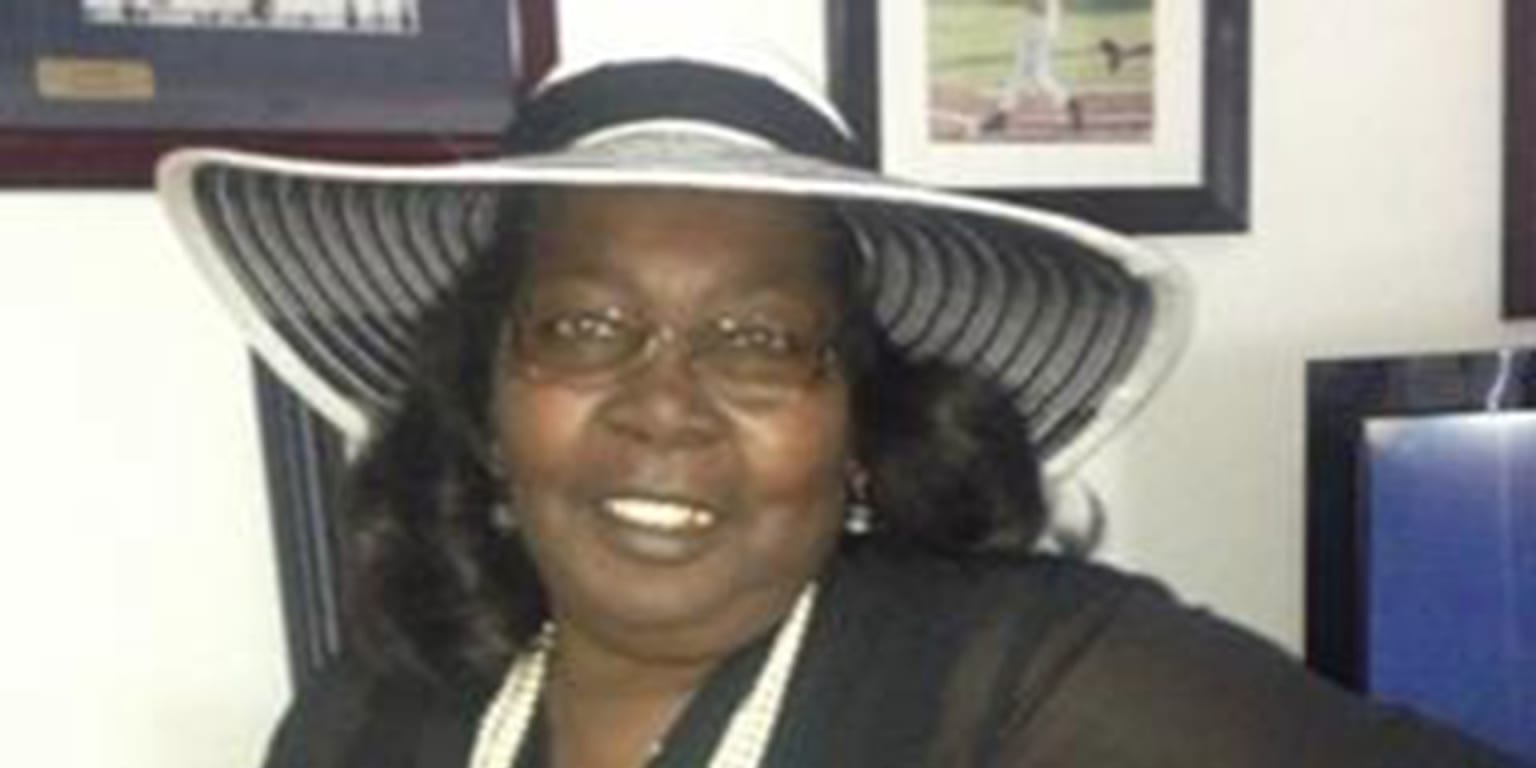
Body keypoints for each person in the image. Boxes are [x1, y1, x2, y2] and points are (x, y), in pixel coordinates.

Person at [157, 54, 1524, 768]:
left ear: (863, 419)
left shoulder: (1026, 679)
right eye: (585, 325)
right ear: (490, 390)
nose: (664, 402)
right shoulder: (371, 718)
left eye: (758, 340)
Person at [977, 0, 1084, 137]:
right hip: (1035, 18)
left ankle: (1070, 102)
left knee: (1040, 75)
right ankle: (1002, 115)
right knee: (1020, 74)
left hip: (1042, 19)